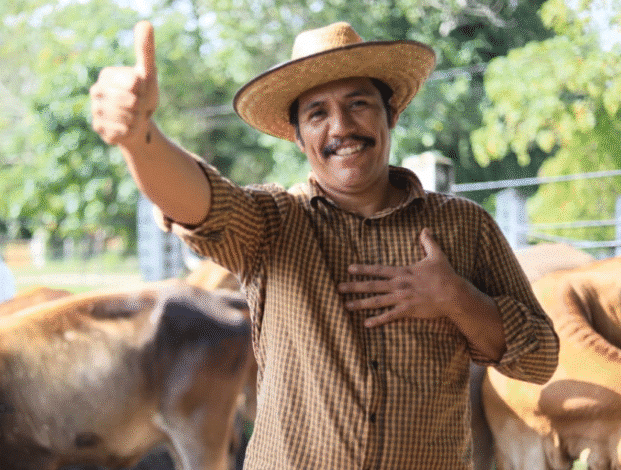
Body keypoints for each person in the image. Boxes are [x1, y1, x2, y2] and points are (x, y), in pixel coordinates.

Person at [89, 20, 559, 469]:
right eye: (317, 113)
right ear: (298, 137)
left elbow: (539, 359)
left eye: (359, 104)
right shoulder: (272, 224)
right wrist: (142, 140)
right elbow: (201, 203)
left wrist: (455, 297)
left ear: (391, 113)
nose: (341, 127)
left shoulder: (464, 226)